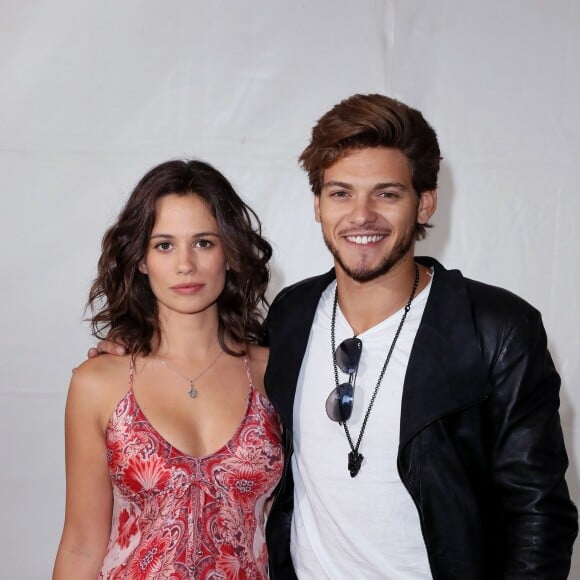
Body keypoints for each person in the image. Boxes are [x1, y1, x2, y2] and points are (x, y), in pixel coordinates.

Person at [91, 95, 578, 579]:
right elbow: (209, 358)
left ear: (425, 202)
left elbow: (540, 515)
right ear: (318, 205)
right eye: (341, 193)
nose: (361, 215)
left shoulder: (494, 329)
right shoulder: (292, 318)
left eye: (386, 193)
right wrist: (131, 348)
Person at [53, 159, 283, 579]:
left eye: (204, 243)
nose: (185, 265)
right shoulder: (99, 383)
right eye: (164, 245)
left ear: (230, 253)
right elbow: (81, 546)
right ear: (140, 259)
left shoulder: (276, 373)